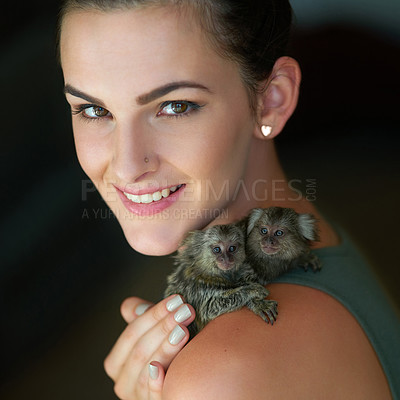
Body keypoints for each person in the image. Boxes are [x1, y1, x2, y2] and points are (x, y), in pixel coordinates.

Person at [57, 0, 400, 399]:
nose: (127, 166)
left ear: (271, 99)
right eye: (93, 109)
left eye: (175, 106)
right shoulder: (314, 240)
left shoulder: (223, 375)